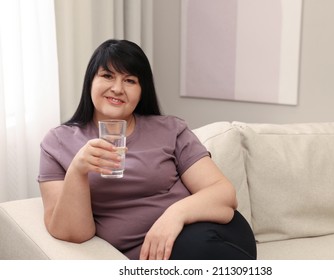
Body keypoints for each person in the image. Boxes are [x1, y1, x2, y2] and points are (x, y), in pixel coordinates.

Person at [37, 39, 256, 260]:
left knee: (204, 249)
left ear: (142, 91)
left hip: (206, 231)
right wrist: (78, 169)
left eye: (130, 80)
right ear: (90, 81)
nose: (117, 88)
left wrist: (173, 216)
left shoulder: (170, 129)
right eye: (107, 76)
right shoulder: (57, 143)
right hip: (164, 254)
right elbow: (74, 233)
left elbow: (223, 193)